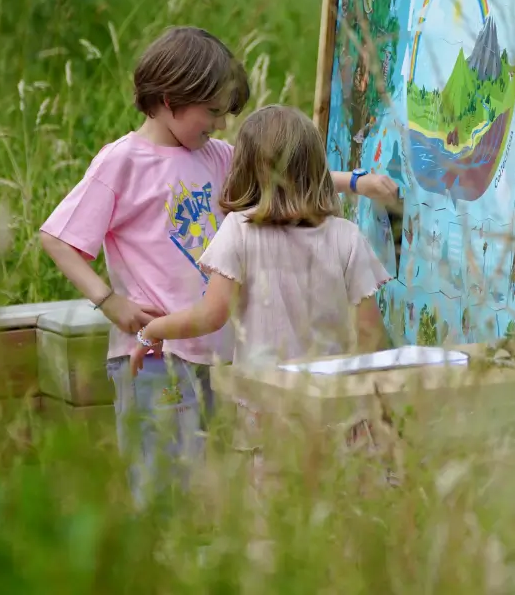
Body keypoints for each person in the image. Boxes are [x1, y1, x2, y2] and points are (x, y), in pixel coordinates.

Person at [39, 27, 397, 503]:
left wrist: (355, 182)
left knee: (212, 492)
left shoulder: (213, 155)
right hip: (155, 358)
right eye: (212, 112)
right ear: (171, 100)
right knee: (163, 489)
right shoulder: (121, 162)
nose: (222, 124)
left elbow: (289, 176)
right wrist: (109, 302)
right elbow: (57, 238)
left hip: (219, 356)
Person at [128, 105, 393, 461]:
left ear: (246, 170)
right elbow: (370, 333)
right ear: (317, 170)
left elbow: (212, 315)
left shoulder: (238, 230)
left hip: (266, 409)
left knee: (270, 508)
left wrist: (153, 330)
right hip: (338, 409)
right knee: (336, 507)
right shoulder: (347, 236)